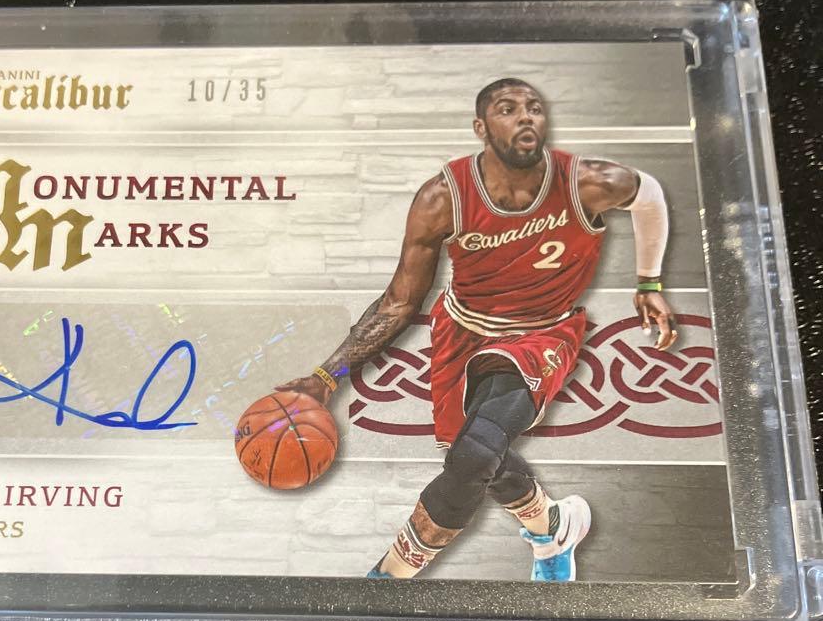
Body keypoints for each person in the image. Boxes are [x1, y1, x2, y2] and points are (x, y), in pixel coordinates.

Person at [277, 78, 677, 582]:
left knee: (475, 454)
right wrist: (327, 376)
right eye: (507, 109)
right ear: (481, 128)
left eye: (534, 107)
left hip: (543, 333)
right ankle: (553, 527)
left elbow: (649, 194)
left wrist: (649, 282)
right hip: (462, 331)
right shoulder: (443, 197)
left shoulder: (586, 182)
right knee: (481, 459)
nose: (526, 116)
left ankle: (385, 584)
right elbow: (400, 301)